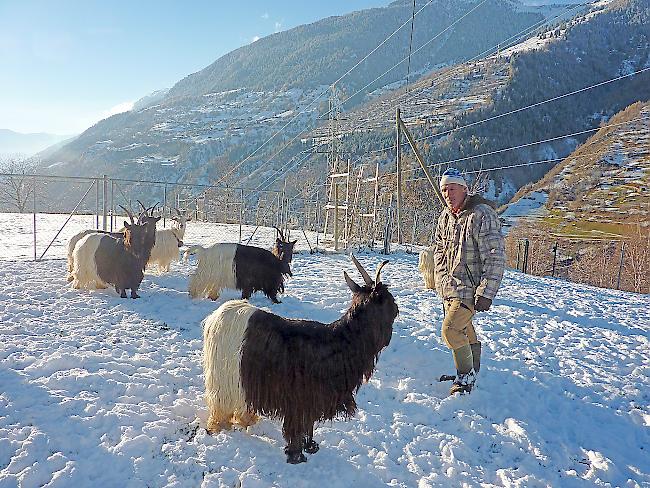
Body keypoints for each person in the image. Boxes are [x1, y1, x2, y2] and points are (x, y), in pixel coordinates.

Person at [433, 168, 505, 395]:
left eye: (452, 188)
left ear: (464, 189)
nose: (447, 194)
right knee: (465, 328)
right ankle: (471, 370)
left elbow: (495, 255)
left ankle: (465, 378)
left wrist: (486, 291)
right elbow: (439, 251)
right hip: (449, 287)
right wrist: (441, 281)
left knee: (451, 330)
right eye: (444, 189)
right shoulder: (446, 216)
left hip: (470, 288)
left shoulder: (481, 214)